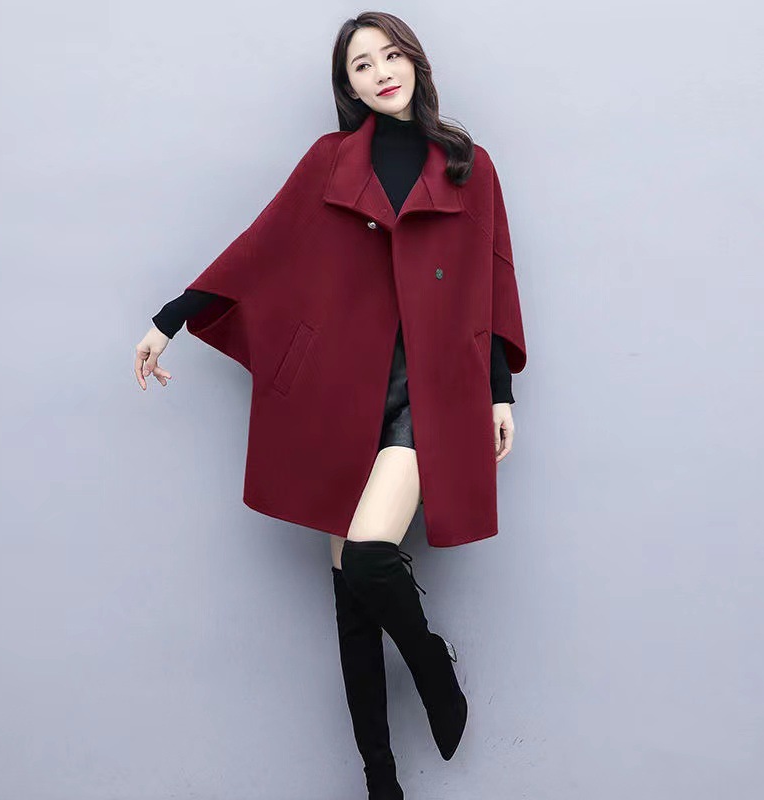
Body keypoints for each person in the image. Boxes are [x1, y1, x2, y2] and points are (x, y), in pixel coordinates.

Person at [134, 11, 525, 800]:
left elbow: (489, 280)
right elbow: (263, 245)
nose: (381, 72)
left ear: (415, 61)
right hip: (341, 394)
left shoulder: (468, 165)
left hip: (432, 393)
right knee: (350, 594)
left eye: (391, 55)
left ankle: (433, 664)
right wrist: (170, 317)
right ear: (346, 86)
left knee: (371, 556)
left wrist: (498, 391)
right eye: (361, 65)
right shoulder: (329, 160)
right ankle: (381, 781)